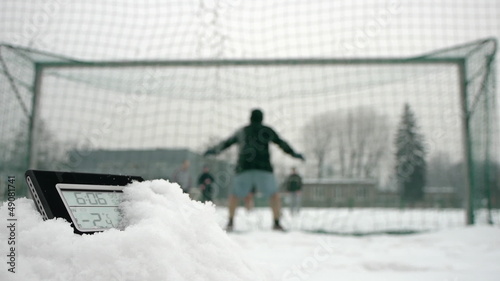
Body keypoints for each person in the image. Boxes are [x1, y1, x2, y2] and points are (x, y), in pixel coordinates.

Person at [204, 109, 305, 231]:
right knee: (274, 196)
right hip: (264, 169)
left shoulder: (243, 131)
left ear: (250, 118)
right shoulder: (266, 130)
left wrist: (212, 151)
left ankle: (230, 222)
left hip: (243, 168)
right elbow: (282, 143)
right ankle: (276, 222)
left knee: (234, 195)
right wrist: (295, 154)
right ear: (262, 118)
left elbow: (227, 143)